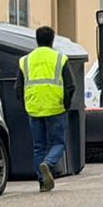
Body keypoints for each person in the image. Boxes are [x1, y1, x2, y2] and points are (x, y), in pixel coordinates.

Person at [19, 25, 74, 192]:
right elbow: (70, 86)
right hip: (55, 107)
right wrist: (65, 105)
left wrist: (26, 105)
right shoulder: (60, 58)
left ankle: (43, 182)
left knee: (38, 146)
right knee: (58, 143)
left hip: (34, 108)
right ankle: (48, 164)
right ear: (52, 40)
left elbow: (18, 87)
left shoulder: (25, 60)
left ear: (36, 40)